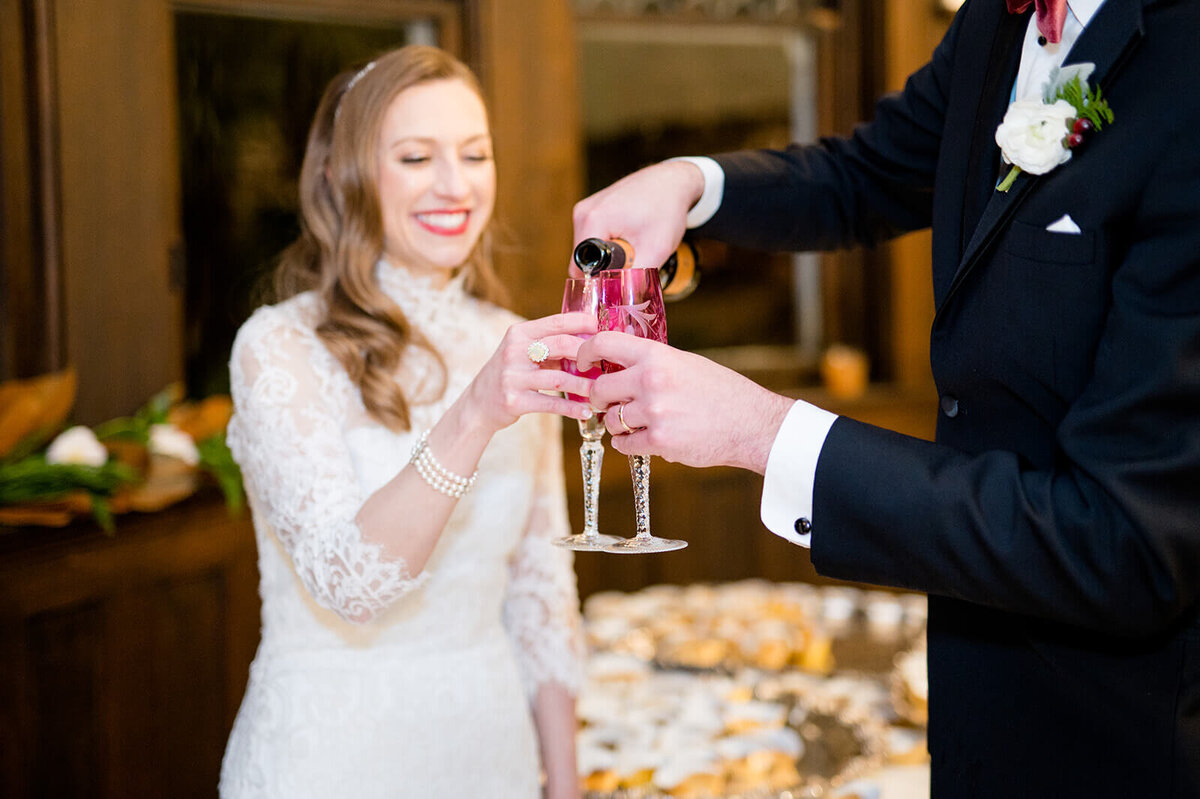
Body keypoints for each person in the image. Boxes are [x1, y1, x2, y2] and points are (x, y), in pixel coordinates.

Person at [572, 0, 1200, 796]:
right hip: (977, 703)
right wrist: (696, 183)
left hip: (1125, 742)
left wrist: (764, 433)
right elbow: (866, 175)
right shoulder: (995, 22)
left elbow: (1124, 545)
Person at [219, 45, 596, 799]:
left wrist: (564, 778)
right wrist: (476, 411)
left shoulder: (514, 338)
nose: (455, 185)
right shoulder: (278, 347)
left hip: (493, 757)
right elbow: (349, 582)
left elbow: (540, 591)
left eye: (475, 154)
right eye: (417, 156)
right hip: (331, 759)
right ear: (344, 175)